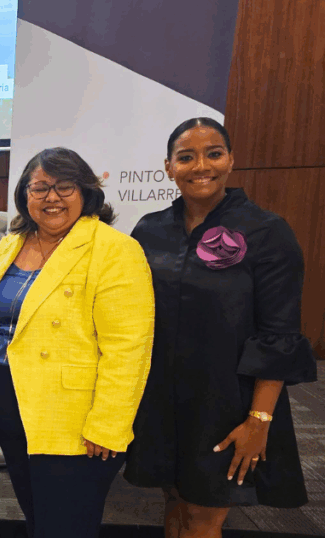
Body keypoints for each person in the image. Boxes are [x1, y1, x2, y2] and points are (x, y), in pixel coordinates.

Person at [125, 118, 317, 538]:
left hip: (227, 402)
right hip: (159, 399)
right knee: (174, 502)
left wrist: (259, 420)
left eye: (213, 154)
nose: (201, 166)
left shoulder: (267, 232)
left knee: (204, 517)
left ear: (231, 160)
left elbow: (279, 335)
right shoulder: (149, 231)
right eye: (186, 157)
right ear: (168, 167)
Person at [0, 147, 155, 538]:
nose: (51, 197)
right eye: (40, 188)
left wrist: (109, 424)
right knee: (37, 518)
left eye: (64, 186)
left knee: (67, 526)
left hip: (73, 420)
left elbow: (129, 348)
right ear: (25, 195)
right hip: (13, 409)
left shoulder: (114, 249)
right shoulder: (9, 246)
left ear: (86, 191)